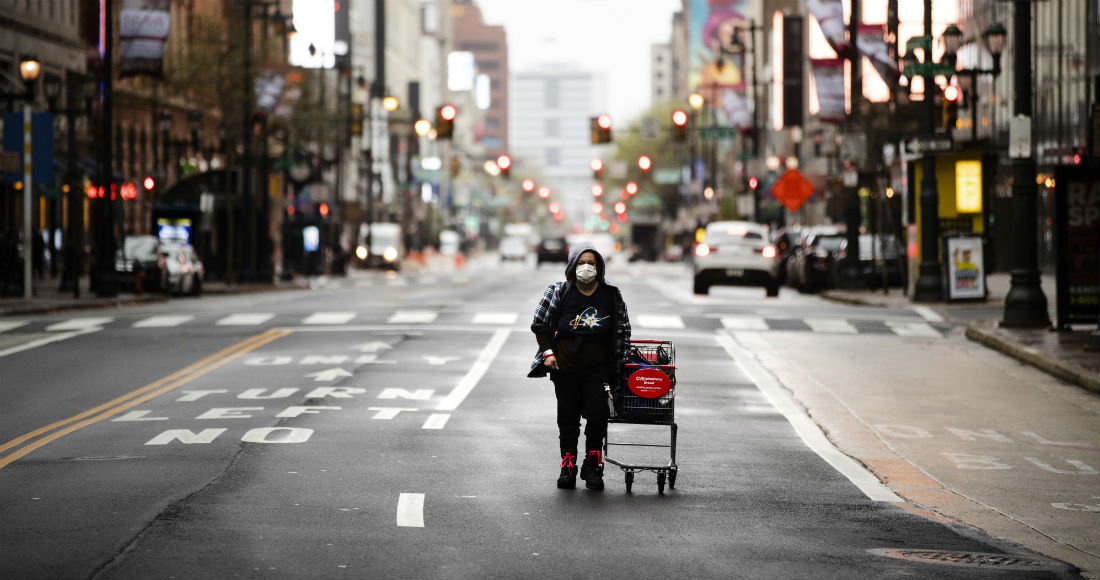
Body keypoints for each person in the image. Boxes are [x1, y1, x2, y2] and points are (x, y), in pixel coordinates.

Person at [528, 245, 631, 491]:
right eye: (582, 262)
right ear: (573, 265)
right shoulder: (558, 291)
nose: (586, 267)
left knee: (598, 417)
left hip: (599, 370)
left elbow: (624, 331)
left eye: (592, 263)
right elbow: (539, 324)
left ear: (599, 267)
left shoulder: (611, 295)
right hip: (565, 368)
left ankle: (593, 466)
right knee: (568, 419)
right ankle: (568, 466)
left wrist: (620, 363)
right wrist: (548, 353)